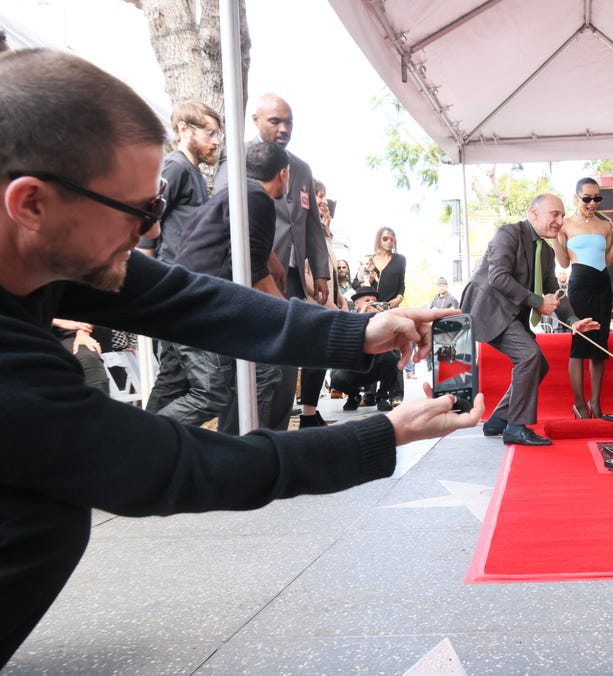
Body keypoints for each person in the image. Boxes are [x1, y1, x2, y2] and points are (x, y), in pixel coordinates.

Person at [0, 48, 483, 665]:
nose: (153, 231)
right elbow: (177, 465)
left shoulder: (38, 248)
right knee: (40, 518)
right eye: (140, 211)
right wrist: (381, 435)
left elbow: (193, 301)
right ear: (32, 203)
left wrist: (354, 334)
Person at [149, 141, 290, 431]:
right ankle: (140, 439)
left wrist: (271, 259)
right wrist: (289, 314)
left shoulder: (231, 196)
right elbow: (251, 269)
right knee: (211, 392)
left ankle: (241, 447)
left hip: (185, 303)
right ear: (284, 174)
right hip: (198, 307)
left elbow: (244, 249)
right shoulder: (258, 198)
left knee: (257, 373)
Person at [217, 93, 334, 431]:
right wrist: (267, 259)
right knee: (257, 368)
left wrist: (322, 273)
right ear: (255, 120)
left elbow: (311, 225)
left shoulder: (301, 168)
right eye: (275, 121)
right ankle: (246, 439)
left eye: (289, 122)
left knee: (288, 365)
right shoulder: (238, 160)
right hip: (253, 276)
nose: (284, 128)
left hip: (295, 279)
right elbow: (232, 214)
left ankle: (278, 440)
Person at [461, 193, 599, 445]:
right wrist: (537, 302)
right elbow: (498, 278)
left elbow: (553, 291)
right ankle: (516, 427)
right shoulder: (508, 234)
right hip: (488, 310)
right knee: (529, 356)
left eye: (562, 215)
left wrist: (573, 319)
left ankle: (499, 420)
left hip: (512, 313)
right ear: (533, 212)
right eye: (554, 214)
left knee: (538, 364)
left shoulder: (545, 252)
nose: (559, 221)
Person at [139, 100, 222, 414]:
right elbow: (148, 221)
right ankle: (143, 448)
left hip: (186, 286)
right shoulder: (175, 166)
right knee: (195, 386)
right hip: (173, 288)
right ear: (184, 129)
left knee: (177, 381)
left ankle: (144, 450)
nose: (215, 141)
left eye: (218, 134)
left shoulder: (196, 174)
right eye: (209, 133)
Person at [553, 177, 613, 419]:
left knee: (599, 346)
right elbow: (564, 262)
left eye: (597, 198)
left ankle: (595, 403)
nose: (593, 202)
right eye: (587, 198)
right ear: (576, 198)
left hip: (602, 284)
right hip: (580, 285)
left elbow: (607, 261)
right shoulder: (565, 225)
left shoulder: (605, 225)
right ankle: (579, 405)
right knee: (579, 347)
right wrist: (555, 238)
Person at [297, 180, 345, 428]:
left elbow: (331, 273)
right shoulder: (301, 229)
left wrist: (340, 300)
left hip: (326, 302)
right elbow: (303, 271)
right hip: (312, 303)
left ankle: (310, 411)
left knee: (320, 360)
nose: (324, 201)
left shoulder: (323, 233)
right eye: (318, 195)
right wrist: (324, 300)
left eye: (324, 195)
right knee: (313, 359)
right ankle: (307, 416)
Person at [330, 286, 400, 412]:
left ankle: (382, 397)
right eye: (367, 300)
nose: (371, 303)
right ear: (357, 304)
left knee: (392, 358)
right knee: (336, 378)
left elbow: (392, 343)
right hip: (353, 368)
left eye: (374, 300)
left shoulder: (382, 319)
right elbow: (344, 343)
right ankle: (353, 396)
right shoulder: (348, 318)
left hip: (375, 367)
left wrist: (382, 320)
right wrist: (361, 318)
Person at [370, 226, 408, 402]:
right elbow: (357, 284)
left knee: (394, 349)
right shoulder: (369, 261)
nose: (390, 242)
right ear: (379, 240)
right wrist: (368, 279)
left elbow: (401, 285)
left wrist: (399, 298)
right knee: (371, 349)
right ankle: (370, 393)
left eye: (393, 239)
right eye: (386, 238)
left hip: (391, 309)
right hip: (371, 311)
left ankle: (396, 394)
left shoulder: (400, 260)